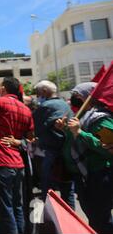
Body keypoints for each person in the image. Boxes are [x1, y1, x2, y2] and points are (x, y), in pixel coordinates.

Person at [56, 82, 113, 233]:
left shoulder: (100, 119)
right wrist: (66, 130)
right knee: (94, 218)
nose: (73, 99)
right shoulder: (81, 117)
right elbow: (75, 142)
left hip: (100, 175)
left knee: (100, 220)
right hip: (85, 175)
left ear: (89, 98)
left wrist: (80, 133)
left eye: (77, 96)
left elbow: (108, 148)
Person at [0, 77, 34, 234]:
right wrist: (18, 142)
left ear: (3, 88)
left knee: (5, 210)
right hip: (18, 164)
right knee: (17, 207)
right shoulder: (26, 109)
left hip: (1, 161)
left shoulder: (0, 102)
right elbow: (30, 138)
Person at [33, 80, 75, 209]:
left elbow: (36, 129)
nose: (37, 95)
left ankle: (51, 221)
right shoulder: (64, 104)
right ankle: (71, 224)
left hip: (51, 154)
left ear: (44, 91)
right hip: (68, 153)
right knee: (68, 191)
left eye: (37, 92)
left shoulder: (45, 107)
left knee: (49, 192)